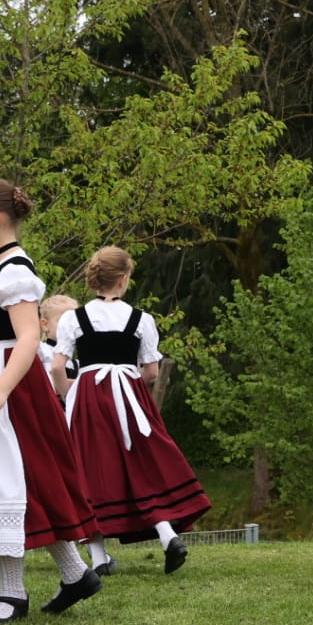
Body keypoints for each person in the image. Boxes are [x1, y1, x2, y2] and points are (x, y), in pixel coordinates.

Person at [0, 177, 104, 623]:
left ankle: (14, 593)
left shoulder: (15, 273)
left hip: (9, 384)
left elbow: (30, 336)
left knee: (9, 480)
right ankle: (73, 573)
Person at [51, 246, 211, 575]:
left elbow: (57, 366)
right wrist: (127, 379)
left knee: (91, 469)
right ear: (124, 279)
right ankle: (168, 537)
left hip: (89, 397)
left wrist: (70, 391)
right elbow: (151, 371)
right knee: (142, 467)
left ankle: (97, 559)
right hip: (130, 396)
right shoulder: (141, 319)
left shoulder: (73, 318)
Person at [39, 294, 79, 400]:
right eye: (62, 321)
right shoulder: (41, 351)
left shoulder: (76, 363)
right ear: (45, 325)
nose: (69, 326)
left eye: (73, 322)